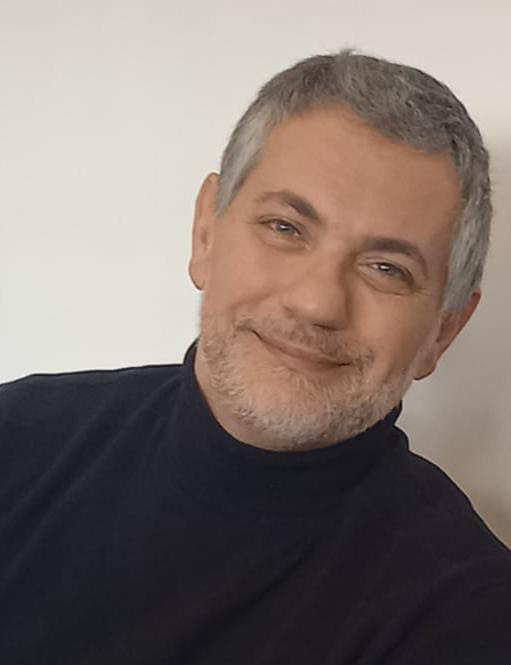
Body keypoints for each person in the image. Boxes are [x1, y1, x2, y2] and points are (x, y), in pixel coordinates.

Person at [1, 49, 510, 665]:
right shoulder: (17, 436)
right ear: (206, 233)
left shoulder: (471, 612)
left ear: (443, 332)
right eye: (285, 228)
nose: (317, 303)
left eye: (386, 268)